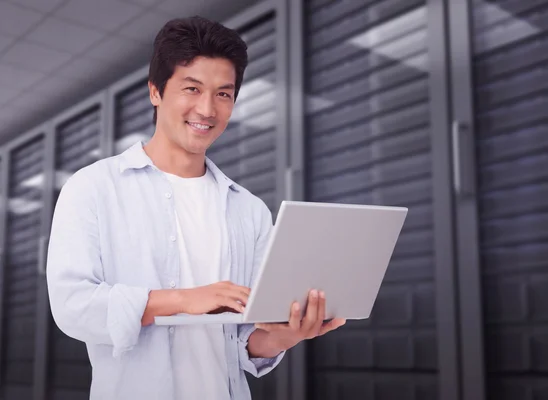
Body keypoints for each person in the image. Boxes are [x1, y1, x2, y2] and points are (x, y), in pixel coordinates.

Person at [46, 15, 345, 400]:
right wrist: (186, 299)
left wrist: (289, 333)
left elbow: (245, 342)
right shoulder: (93, 188)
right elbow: (73, 306)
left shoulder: (249, 211)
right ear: (155, 91)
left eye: (223, 94)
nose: (207, 109)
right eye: (192, 88)